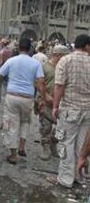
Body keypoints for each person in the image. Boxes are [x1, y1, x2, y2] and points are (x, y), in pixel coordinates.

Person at [0, 38, 46, 164]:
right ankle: (22, 147)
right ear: (30, 49)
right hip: (28, 97)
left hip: (12, 96)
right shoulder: (35, 63)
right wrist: (42, 99)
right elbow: (41, 82)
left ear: (18, 48)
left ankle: (13, 155)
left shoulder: (11, 61)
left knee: (11, 124)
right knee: (25, 121)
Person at [49, 34, 90, 188]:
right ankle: (78, 176)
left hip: (70, 110)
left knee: (67, 143)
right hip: (88, 110)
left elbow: (59, 86)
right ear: (86, 46)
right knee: (82, 145)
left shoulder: (65, 60)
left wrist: (55, 106)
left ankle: (65, 179)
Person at [37, 45, 70, 160]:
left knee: (59, 128)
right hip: (46, 102)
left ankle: (53, 145)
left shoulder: (65, 68)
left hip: (61, 104)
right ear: (58, 55)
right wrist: (45, 97)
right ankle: (45, 147)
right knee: (46, 126)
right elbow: (38, 84)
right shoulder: (44, 67)